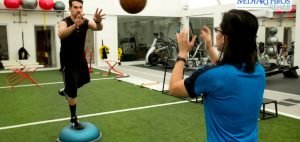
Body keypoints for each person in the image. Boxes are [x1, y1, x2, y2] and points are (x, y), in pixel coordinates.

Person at [169, 9, 266, 141]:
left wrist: (182, 53)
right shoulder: (259, 71)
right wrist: (209, 47)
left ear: (227, 37)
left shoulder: (211, 75)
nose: (216, 34)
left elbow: (174, 88)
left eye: (218, 30)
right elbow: (225, 73)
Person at [58, 0, 105, 130]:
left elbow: (98, 28)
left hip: (80, 59)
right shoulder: (64, 22)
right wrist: (74, 25)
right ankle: (73, 119)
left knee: (83, 80)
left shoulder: (85, 21)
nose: (78, 10)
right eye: (75, 7)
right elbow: (61, 34)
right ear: (70, 8)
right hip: (68, 61)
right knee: (73, 93)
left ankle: (66, 90)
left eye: (80, 7)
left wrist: (98, 21)